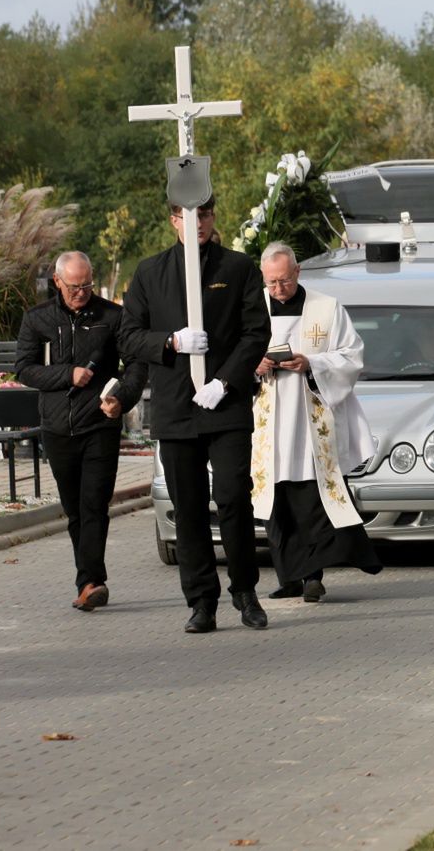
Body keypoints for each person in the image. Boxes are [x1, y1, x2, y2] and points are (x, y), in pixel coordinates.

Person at [121, 198, 272, 633]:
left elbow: (255, 333)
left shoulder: (238, 268)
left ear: (213, 217)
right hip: (176, 408)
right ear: (173, 221)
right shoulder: (151, 272)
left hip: (224, 405)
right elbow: (129, 336)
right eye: (188, 217)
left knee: (231, 498)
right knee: (187, 509)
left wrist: (224, 381)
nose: (197, 223)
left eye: (204, 215)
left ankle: (244, 590)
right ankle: (201, 601)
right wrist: (170, 342)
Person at [16, 251, 148, 612]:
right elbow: (24, 369)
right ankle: (87, 578)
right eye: (74, 287)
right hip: (57, 427)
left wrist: (121, 396)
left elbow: (136, 364)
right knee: (74, 508)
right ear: (58, 281)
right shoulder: (37, 319)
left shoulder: (113, 316)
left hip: (99, 425)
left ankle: (92, 581)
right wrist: (67, 374)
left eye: (87, 285)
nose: (81, 293)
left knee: (94, 504)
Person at [250, 242, 382, 602]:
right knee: (274, 505)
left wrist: (312, 363)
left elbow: (352, 356)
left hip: (309, 420)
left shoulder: (326, 308)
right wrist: (255, 365)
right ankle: (288, 577)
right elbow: (232, 354)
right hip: (265, 422)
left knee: (310, 503)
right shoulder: (250, 308)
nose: (278, 290)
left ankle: (311, 577)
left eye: (284, 281)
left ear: (297, 273)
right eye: (271, 283)